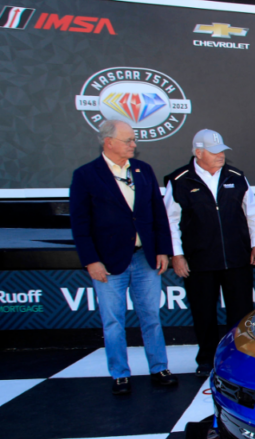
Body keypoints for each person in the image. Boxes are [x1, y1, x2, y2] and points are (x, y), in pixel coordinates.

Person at [69, 120, 178, 395]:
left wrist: (163, 250)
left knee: (151, 316)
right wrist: (91, 261)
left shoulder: (143, 171)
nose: (134, 145)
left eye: (133, 140)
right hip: (108, 261)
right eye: (128, 140)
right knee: (113, 320)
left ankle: (159, 367)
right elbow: (80, 224)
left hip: (145, 258)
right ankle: (120, 374)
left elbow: (157, 214)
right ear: (109, 142)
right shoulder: (85, 175)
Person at [164, 129, 255, 377]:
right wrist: (176, 255)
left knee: (241, 312)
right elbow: (170, 221)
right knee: (203, 312)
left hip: (237, 258)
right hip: (199, 260)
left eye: (222, 151)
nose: (221, 155)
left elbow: (253, 214)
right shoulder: (179, 180)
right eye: (214, 151)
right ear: (199, 153)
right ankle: (207, 359)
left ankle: (240, 356)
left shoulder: (236, 176)